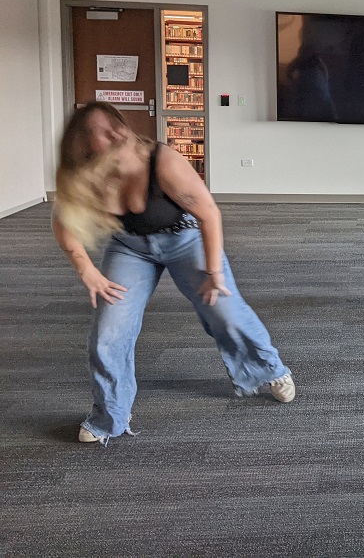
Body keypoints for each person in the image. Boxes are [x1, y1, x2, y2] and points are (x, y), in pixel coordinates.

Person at [53, 103, 295, 444]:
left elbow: (209, 214)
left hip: (185, 238)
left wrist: (214, 272)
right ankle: (110, 416)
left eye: (115, 124)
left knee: (225, 311)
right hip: (129, 248)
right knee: (108, 332)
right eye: (102, 133)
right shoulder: (88, 178)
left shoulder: (162, 161)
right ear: (83, 147)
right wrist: (87, 270)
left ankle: (272, 370)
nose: (116, 133)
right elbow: (63, 225)